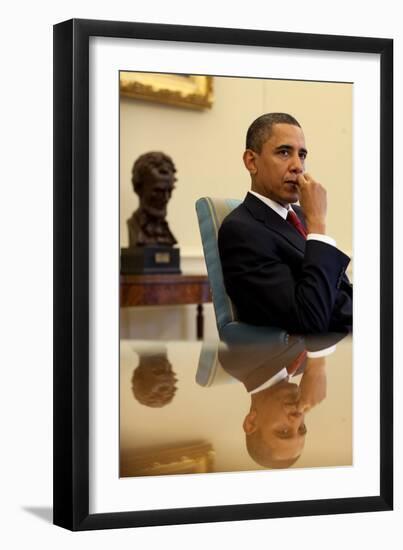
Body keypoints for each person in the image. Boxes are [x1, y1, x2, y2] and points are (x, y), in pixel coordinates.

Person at [218, 113, 352, 334]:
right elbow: (308, 321)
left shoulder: (300, 214)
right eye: (284, 152)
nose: (298, 166)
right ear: (251, 161)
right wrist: (318, 224)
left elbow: (339, 293)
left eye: (302, 155)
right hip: (314, 353)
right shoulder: (242, 231)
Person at [127, 151, 178, 247]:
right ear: (138, 188)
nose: (166, 198)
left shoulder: (165, 231)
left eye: (169, 191)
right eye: (158, 191)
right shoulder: (134, 227)